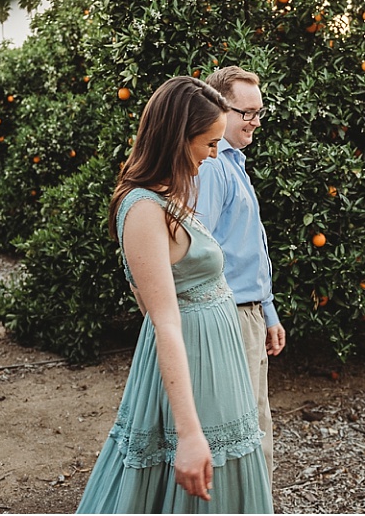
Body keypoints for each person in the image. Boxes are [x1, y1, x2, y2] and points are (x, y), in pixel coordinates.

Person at [77, 76, 273, 513]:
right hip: (193, 367)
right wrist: (187, 432)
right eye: (207, 143)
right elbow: (161, 316)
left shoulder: (172, 195)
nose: (212, 154)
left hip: (218, 365)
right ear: (175, 138)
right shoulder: (144, 208)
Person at [195, 66, 286, 488]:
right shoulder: (212, 168)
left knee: (254, 422)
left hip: (248, 311)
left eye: (259, 112)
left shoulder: (234, 162)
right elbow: (201, 249)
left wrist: (267, 310)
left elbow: (247, 247)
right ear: (217, 108)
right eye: (244, 112)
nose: (253, 121)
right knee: (247, 429)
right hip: (229, 314)